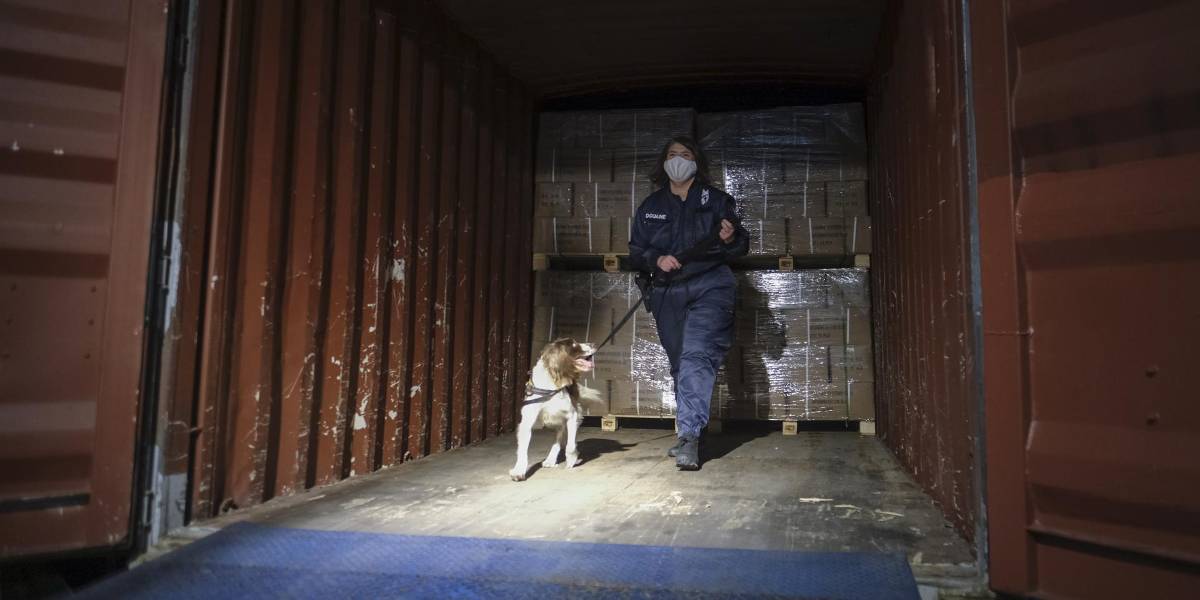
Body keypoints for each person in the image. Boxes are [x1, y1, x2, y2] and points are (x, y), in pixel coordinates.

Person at [629, 136, 749, 470]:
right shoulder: (651, 206)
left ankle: (690, 436)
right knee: (681, 363)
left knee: (697, 354)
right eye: (672, 155)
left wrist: (730, 237)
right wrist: (656, 259)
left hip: (710, 285)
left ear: (697, 162)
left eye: (685, 155)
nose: (678, 160)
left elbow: (740, 246)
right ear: (663, 162)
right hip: (668, 291)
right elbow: (635, 251)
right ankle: (689, 432)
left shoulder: (718, 201)